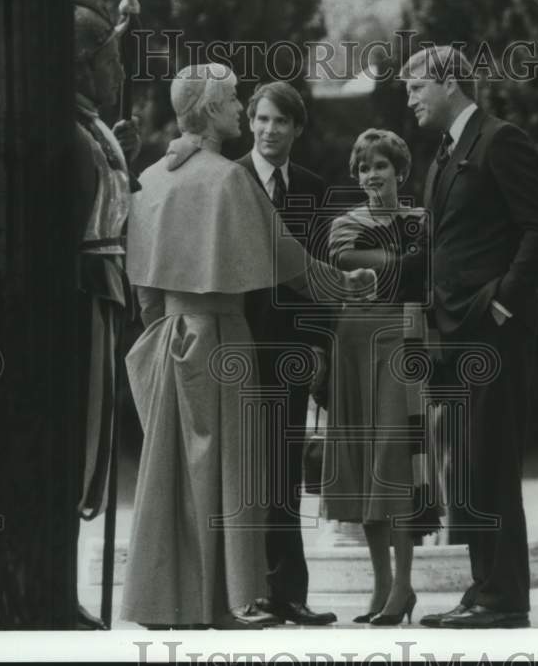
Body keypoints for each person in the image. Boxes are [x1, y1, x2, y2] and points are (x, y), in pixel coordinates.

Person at [120, 64, 374, 630]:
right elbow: (292, 264)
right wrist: (348, 285)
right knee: (231, 472)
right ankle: (227, 602)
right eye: (235, 102)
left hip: (169, 339)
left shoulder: (153, 176)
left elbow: (143, 286)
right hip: (223, 339)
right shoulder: (230, 180)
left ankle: (169, 602)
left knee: (173, 475)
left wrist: (162, 332)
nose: (241, 112)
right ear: (210, 110)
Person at [401, 46, 538, 629]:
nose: (411, 96)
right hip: (455, 335)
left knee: (491, 462)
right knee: (469, 467)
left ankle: (505, 597)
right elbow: (440, 247)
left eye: (417, 85)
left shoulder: (501, 140)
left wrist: (503, 302)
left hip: (493, 333)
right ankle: (484, 588)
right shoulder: (444, 156)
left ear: (449, 82)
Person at [171, 81, 337, 625]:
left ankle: (289, 591)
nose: (267, 130)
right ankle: (248, 591)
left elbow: (315, 273)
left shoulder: (312, 188)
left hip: (288, 352)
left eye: (279, 122)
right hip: (236, 346)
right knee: (243, 470)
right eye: (260, 119)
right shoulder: (230, 177)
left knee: (286, 470)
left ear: (296, 129)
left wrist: (316, 346)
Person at [320, 129, 439, 626]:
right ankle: (381, 586)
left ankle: (405, 586)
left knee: (399, 458)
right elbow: (347, 262)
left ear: (400, 171)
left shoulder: (422, 220)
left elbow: (428, 274)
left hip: (403, 342)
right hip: (354, 346)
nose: (372, 176)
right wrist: (406, 264)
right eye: (365, 168)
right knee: (366, 461)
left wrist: (400, 267)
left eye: (381, 166)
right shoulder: (345, 224)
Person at [72, 0, 140, 628]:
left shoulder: (93, 125)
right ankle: (60, 585)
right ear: (84, 60)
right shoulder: (72, 129)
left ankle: (66, 585)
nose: (119, 68)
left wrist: (126, 151)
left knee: (94, 443)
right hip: (83, 294)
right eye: (110, 56)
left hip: (104, 292)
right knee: (78, 440)